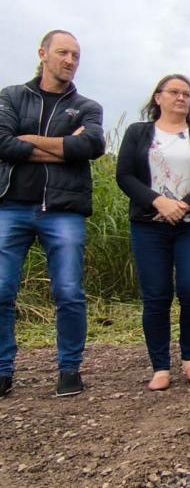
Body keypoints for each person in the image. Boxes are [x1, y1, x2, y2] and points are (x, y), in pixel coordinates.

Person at [0, 30, 105, 398]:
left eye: (76, 55)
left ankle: (69, 369)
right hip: (11, 205)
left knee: (69, 291)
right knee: (1, 289)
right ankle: (2, 370)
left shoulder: (87, 106)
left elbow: (91, 145)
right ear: (43, 53)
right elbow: (2, 143)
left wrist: (28, 141)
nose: (70, 61)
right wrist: (64, 148)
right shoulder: (11, 96)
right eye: (63, 53)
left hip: (64, 210)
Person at [116, 74, 190, 391]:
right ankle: (160, 366)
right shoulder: (139, 132)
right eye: (174, 92)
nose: (181, 98)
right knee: (156, 295)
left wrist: (185, 205)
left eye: (187, 94)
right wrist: (159, 202)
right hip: (149, 226)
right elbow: (124, 176)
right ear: (158, 97)